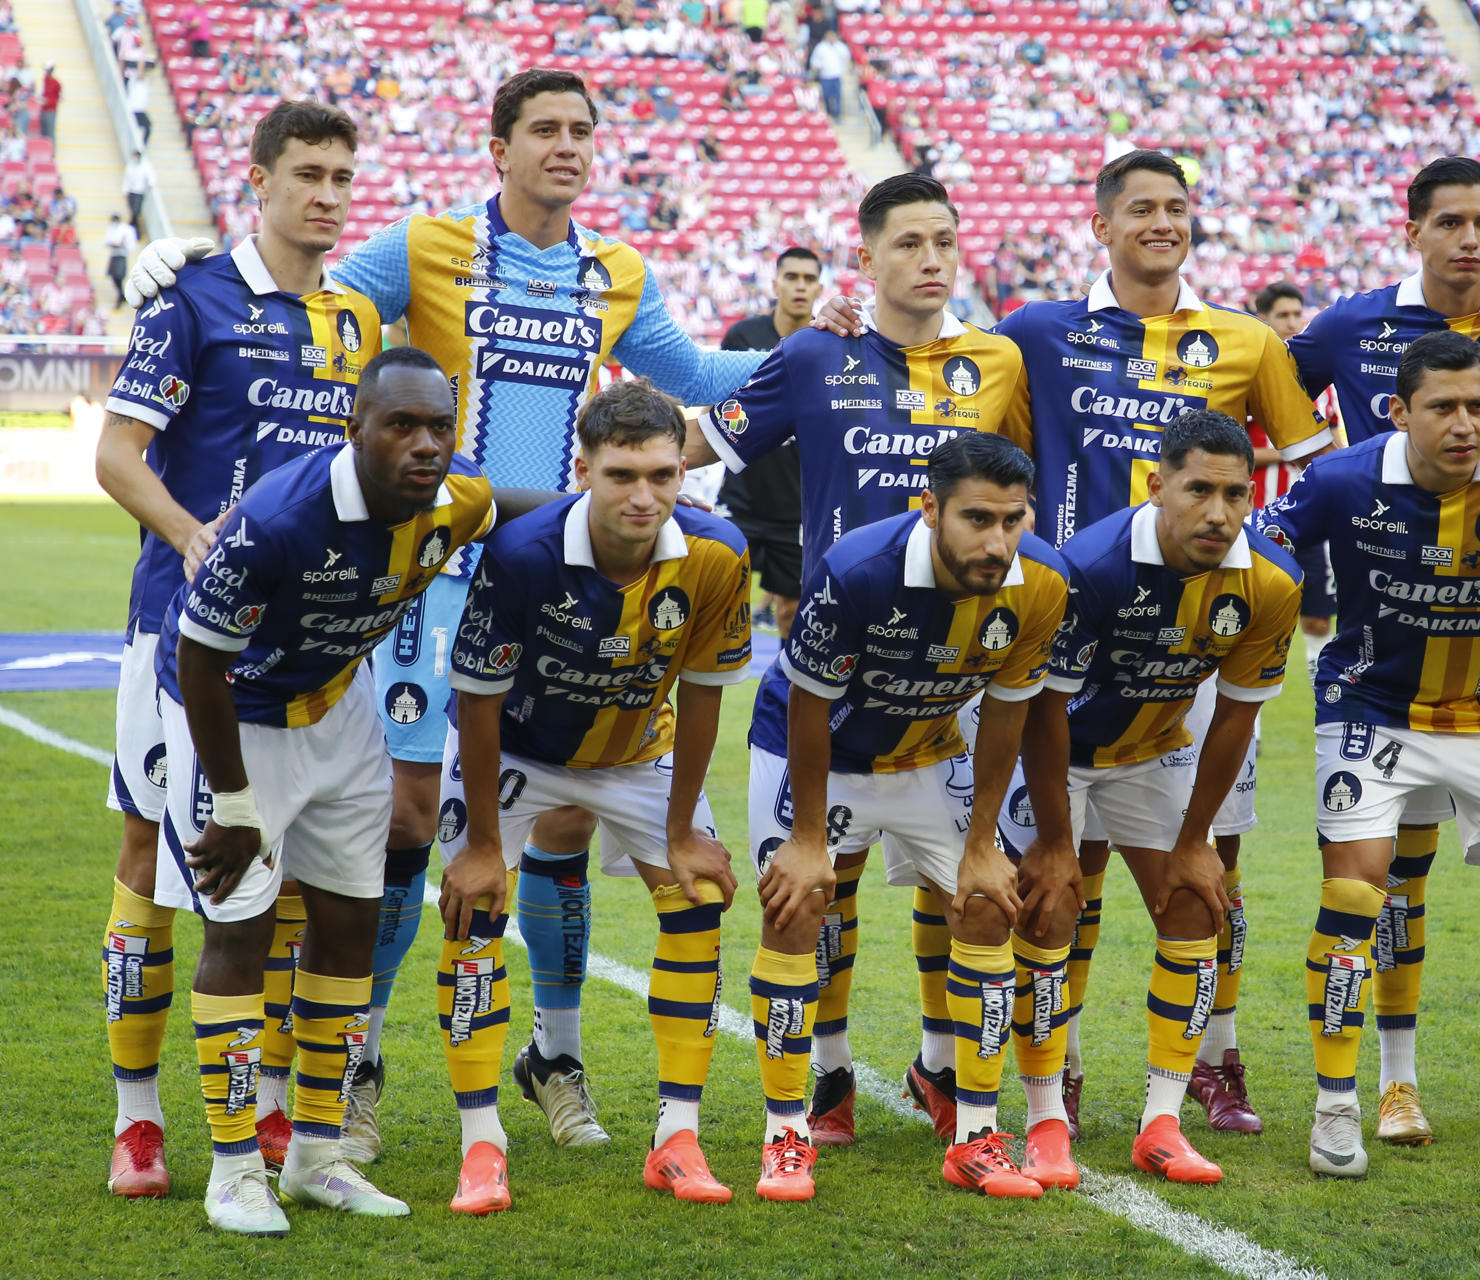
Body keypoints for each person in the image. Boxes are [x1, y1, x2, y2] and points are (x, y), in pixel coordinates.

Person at [126, 70, 768, 1161]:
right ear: (498, 148)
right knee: (409, 818)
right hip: (432, 569)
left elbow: (699, 371)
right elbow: (305, 290)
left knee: (563, 816)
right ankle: (356, 1068)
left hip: (556, 575)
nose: (567, 146)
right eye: (544, 129)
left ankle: (553, 1058)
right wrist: (186, 265)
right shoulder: (426, 246)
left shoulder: (617, 271)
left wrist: (824, 345)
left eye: (582, 130)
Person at [685, 172, 1032, 1149]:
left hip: (951, 682)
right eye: (908, 243)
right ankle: (826, 1078)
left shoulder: (999, 360)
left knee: (961, 891)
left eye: (944, 242)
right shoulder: (814, 352)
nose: (931, 259)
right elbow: (706, 441)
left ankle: (943, 1070)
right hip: (830, 672)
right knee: (814, 898)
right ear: (866, 256)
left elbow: (1027, 487)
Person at [987, 150, 1330, 1137]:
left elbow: (1315, 468)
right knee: (1065, 870)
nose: (1162, 222)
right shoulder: (1037, 333)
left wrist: (1256, 552)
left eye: (1177, 207)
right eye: (1140, 207)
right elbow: (984, 443)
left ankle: (1215, 1059)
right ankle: (1062, 1069)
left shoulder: (1245, 338)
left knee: (1211, 867)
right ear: (1102, 225)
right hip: (1069, 625)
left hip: (1199, 643)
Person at [92, 99, 376, 1200]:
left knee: (286, 874)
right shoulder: (193, 300)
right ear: (257, 181)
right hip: (179, 633)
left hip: (304, 650)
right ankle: (138, 1119)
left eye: (341, 176)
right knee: (153, 864)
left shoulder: (357, 318)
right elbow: (119, 454)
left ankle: (265, 1109)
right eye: (307, 173)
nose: (327, 194)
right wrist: (190, 533)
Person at [1286, 155, 1480, 1143]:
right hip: (1375, 701)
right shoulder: (1344, 417)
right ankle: (1367, 1095)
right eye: (1443, 408)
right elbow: (1270, 502)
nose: (1465, 424)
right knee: (1373, 887)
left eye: (1479, 407)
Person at [156, 346, 502, 1234]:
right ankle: (234, 1170)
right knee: (241, 926)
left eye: (440, 427)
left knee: (351, 918)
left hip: (339, 703)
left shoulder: (454, 495)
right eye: (402, 425)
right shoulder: (279, 519)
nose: (426, 445)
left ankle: (316, 1155)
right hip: (232, 713)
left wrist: (604, 510)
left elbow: (504, 504)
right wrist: (235, 804)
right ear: (356, 429)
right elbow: (199, 661)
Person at [434, 378, 752, 1213]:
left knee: (699, 893)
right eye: (622, 476)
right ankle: (481, 1145)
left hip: (637, 753)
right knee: (473, 911)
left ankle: (677, 1137)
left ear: (683, 473)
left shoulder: (718, 554)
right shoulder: (522, 553)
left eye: (662, 475)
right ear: (584, 472)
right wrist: (482, 846)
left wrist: (682, 830)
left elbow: (706, 693)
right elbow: (477, 700)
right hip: (516, 750)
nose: (644, 496)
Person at [753, 432, 1071, 1200]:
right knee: (798, 905)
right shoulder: (859, 569)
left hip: (930, 751)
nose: (997, 542)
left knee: (989, 900)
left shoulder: (1043, 581)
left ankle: (975, 1135)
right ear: (931, 508)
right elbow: (808, 702)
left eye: (1013, 520)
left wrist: (982, 843)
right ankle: (791, 1127)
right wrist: (807, 839)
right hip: (819, 752)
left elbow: (1008, 712)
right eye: (977, 519)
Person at [1027, 407, 1300, 1183]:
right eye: (1198, 490)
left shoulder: (1272, 581)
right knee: (1050, 908)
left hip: (1151, 750)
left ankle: (1162, 1122)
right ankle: (1049, 1113)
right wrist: (1056, 842)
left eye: (1235, 494)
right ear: (1157, 487)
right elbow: (1044, 711)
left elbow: (1235, 716)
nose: (1219, 512)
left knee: (1195, 903)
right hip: (1053, 748)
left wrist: (1193, 842)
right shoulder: (1091, 566)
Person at [717, 246, 821, 638]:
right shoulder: (743, 336)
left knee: (793, 612)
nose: (800, 286)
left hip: (797, 507)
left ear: (819, 287)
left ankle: (784, 679)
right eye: (791, 277)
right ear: (776, 282)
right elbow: (719, 404)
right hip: (740, 497)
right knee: (717, 599)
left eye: (809, 279)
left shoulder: (829, 342)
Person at [1252, 279, 1338, 678]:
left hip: (1311, 520)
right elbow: (1229, 451)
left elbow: (1334, 446)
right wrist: (1295, 448)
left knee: (1318, 617)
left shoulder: (1323, 388)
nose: (1291, 322)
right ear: (1262, 319)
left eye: (1296, 314)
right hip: (1256, 519)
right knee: (1251, 617)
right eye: (1282, 315)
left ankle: (1321, 694)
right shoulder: (1247, 376)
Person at [810, 29, 851, 119]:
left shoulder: (841, 47)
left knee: (837, 95)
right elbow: (814, 60)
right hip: (825, 75)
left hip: (836, 75)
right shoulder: (820, 47)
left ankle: (837, 113)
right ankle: (829, 112)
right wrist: (818, 67)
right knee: (827, 95)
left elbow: (846, 58)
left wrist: (844, 70)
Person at [103, 213, 139, 309]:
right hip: (114, 254)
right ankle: (121, 295)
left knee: (119, 276)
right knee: (114, 277)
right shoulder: (111, 229)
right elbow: (106, 242)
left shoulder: (126, 230)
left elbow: (132, 246)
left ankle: (121, 296)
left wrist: (122, 244)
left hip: (122, 255)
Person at [122, 149, 156, 238]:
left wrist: (150, 184)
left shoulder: (145, 166)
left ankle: (134, 230)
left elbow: (150, 176)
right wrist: (125, 190)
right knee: (133, 212)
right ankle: (134, 230)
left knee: (136, 212)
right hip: (131, 191)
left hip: (140, 191)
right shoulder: (130, 166)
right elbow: (127, 179)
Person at [126, 67, 152, 146]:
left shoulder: (144, 84)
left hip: (141, 110)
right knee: (134, 127)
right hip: (133, 110)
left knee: (148, 126)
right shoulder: (132, 82)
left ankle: (143, 144)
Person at [39, 63, 58, 140]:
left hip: (51, 110)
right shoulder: (45, 80)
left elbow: (59, 97)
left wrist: (49, 101)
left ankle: (52, 147)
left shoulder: (56, 83)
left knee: (50, 133)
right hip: (44, 109)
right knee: (43, 133)